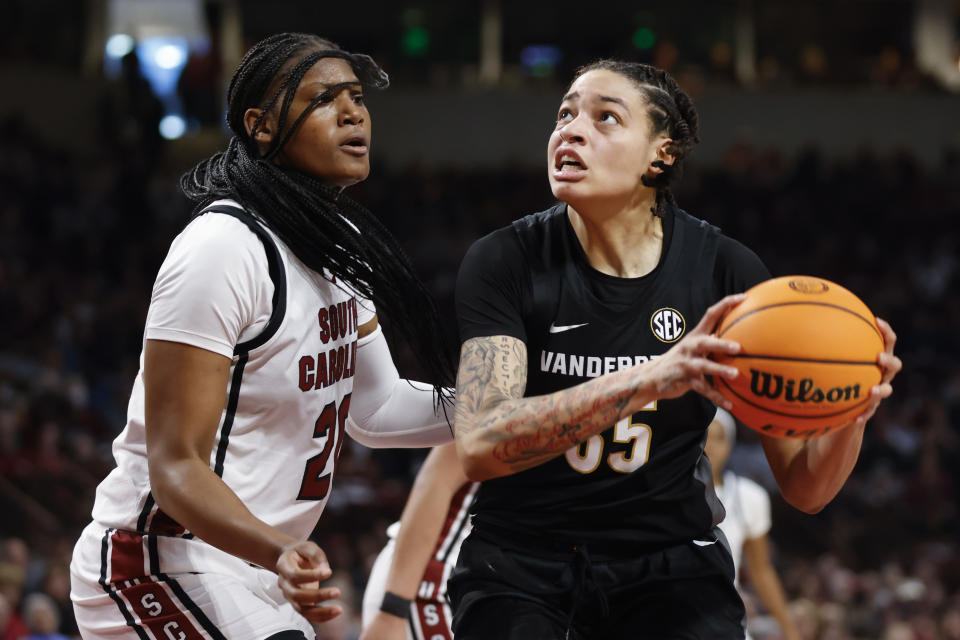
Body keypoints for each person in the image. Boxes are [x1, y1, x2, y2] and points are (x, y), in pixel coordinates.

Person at [449, 59, 901, 640]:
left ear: (660, 155)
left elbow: (807, 488)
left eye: (605, 117)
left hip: (670, 565)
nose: (570, 129)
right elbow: (482, 442)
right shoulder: (504, 259)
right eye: (565, 113)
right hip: (519, 562)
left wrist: (851, 409)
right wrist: (654, 377)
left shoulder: (727, 271)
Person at [70, 33, 458, 640]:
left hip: (250, 567)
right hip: (156, 559)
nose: (354, 113)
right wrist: (276, 548)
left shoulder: (336, 244)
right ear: (262, 125)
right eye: (325, 98)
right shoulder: (223, 248)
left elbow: (377, 409)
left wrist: (500, 405)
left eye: (357, 98)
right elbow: (175, 468)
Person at [359, 443, 476, 640]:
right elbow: (438, 479)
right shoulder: (508, 414)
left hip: (481, 583)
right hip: (429, 578)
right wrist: (393, 610)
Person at [705, 408, 801, 640]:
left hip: (724, 618)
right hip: (673, 614)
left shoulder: (748, 496)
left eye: (719, 438)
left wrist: (790, 631)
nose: (711, 446)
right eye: (704, 436)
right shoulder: (666, 493)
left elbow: (761, 570)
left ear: (730, 445)